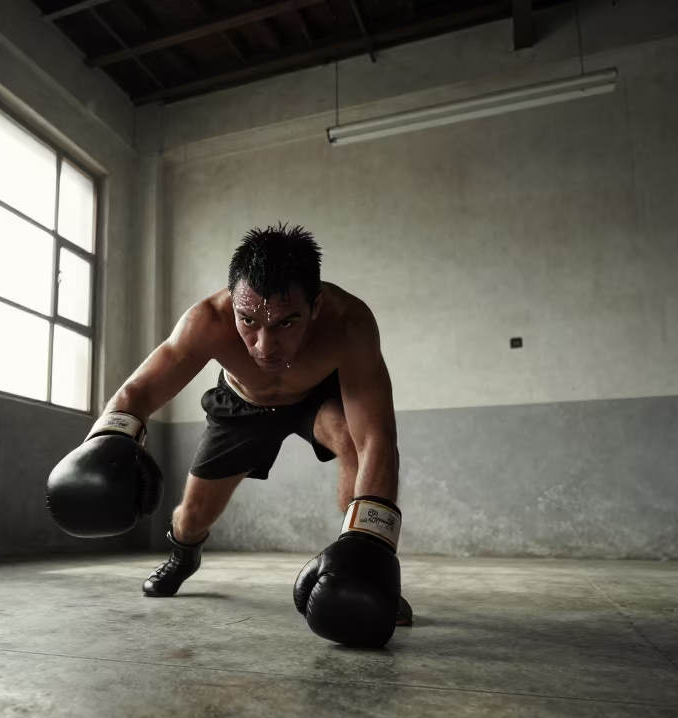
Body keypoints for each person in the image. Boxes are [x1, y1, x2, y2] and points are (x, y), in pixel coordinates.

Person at [47, 224, 409, 648]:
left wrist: (373, 547)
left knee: (349, 438)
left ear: (316, 305)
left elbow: (376, 439)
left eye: (286, 323)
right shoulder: (209, 319)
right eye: (249, 320)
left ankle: (360, 559)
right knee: (192, 516)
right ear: (233, 302)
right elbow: (139, 391)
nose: (264, 345)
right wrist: (106, 438)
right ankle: (183, 556)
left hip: (314, 400)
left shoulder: (349, 324)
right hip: (239, 407)